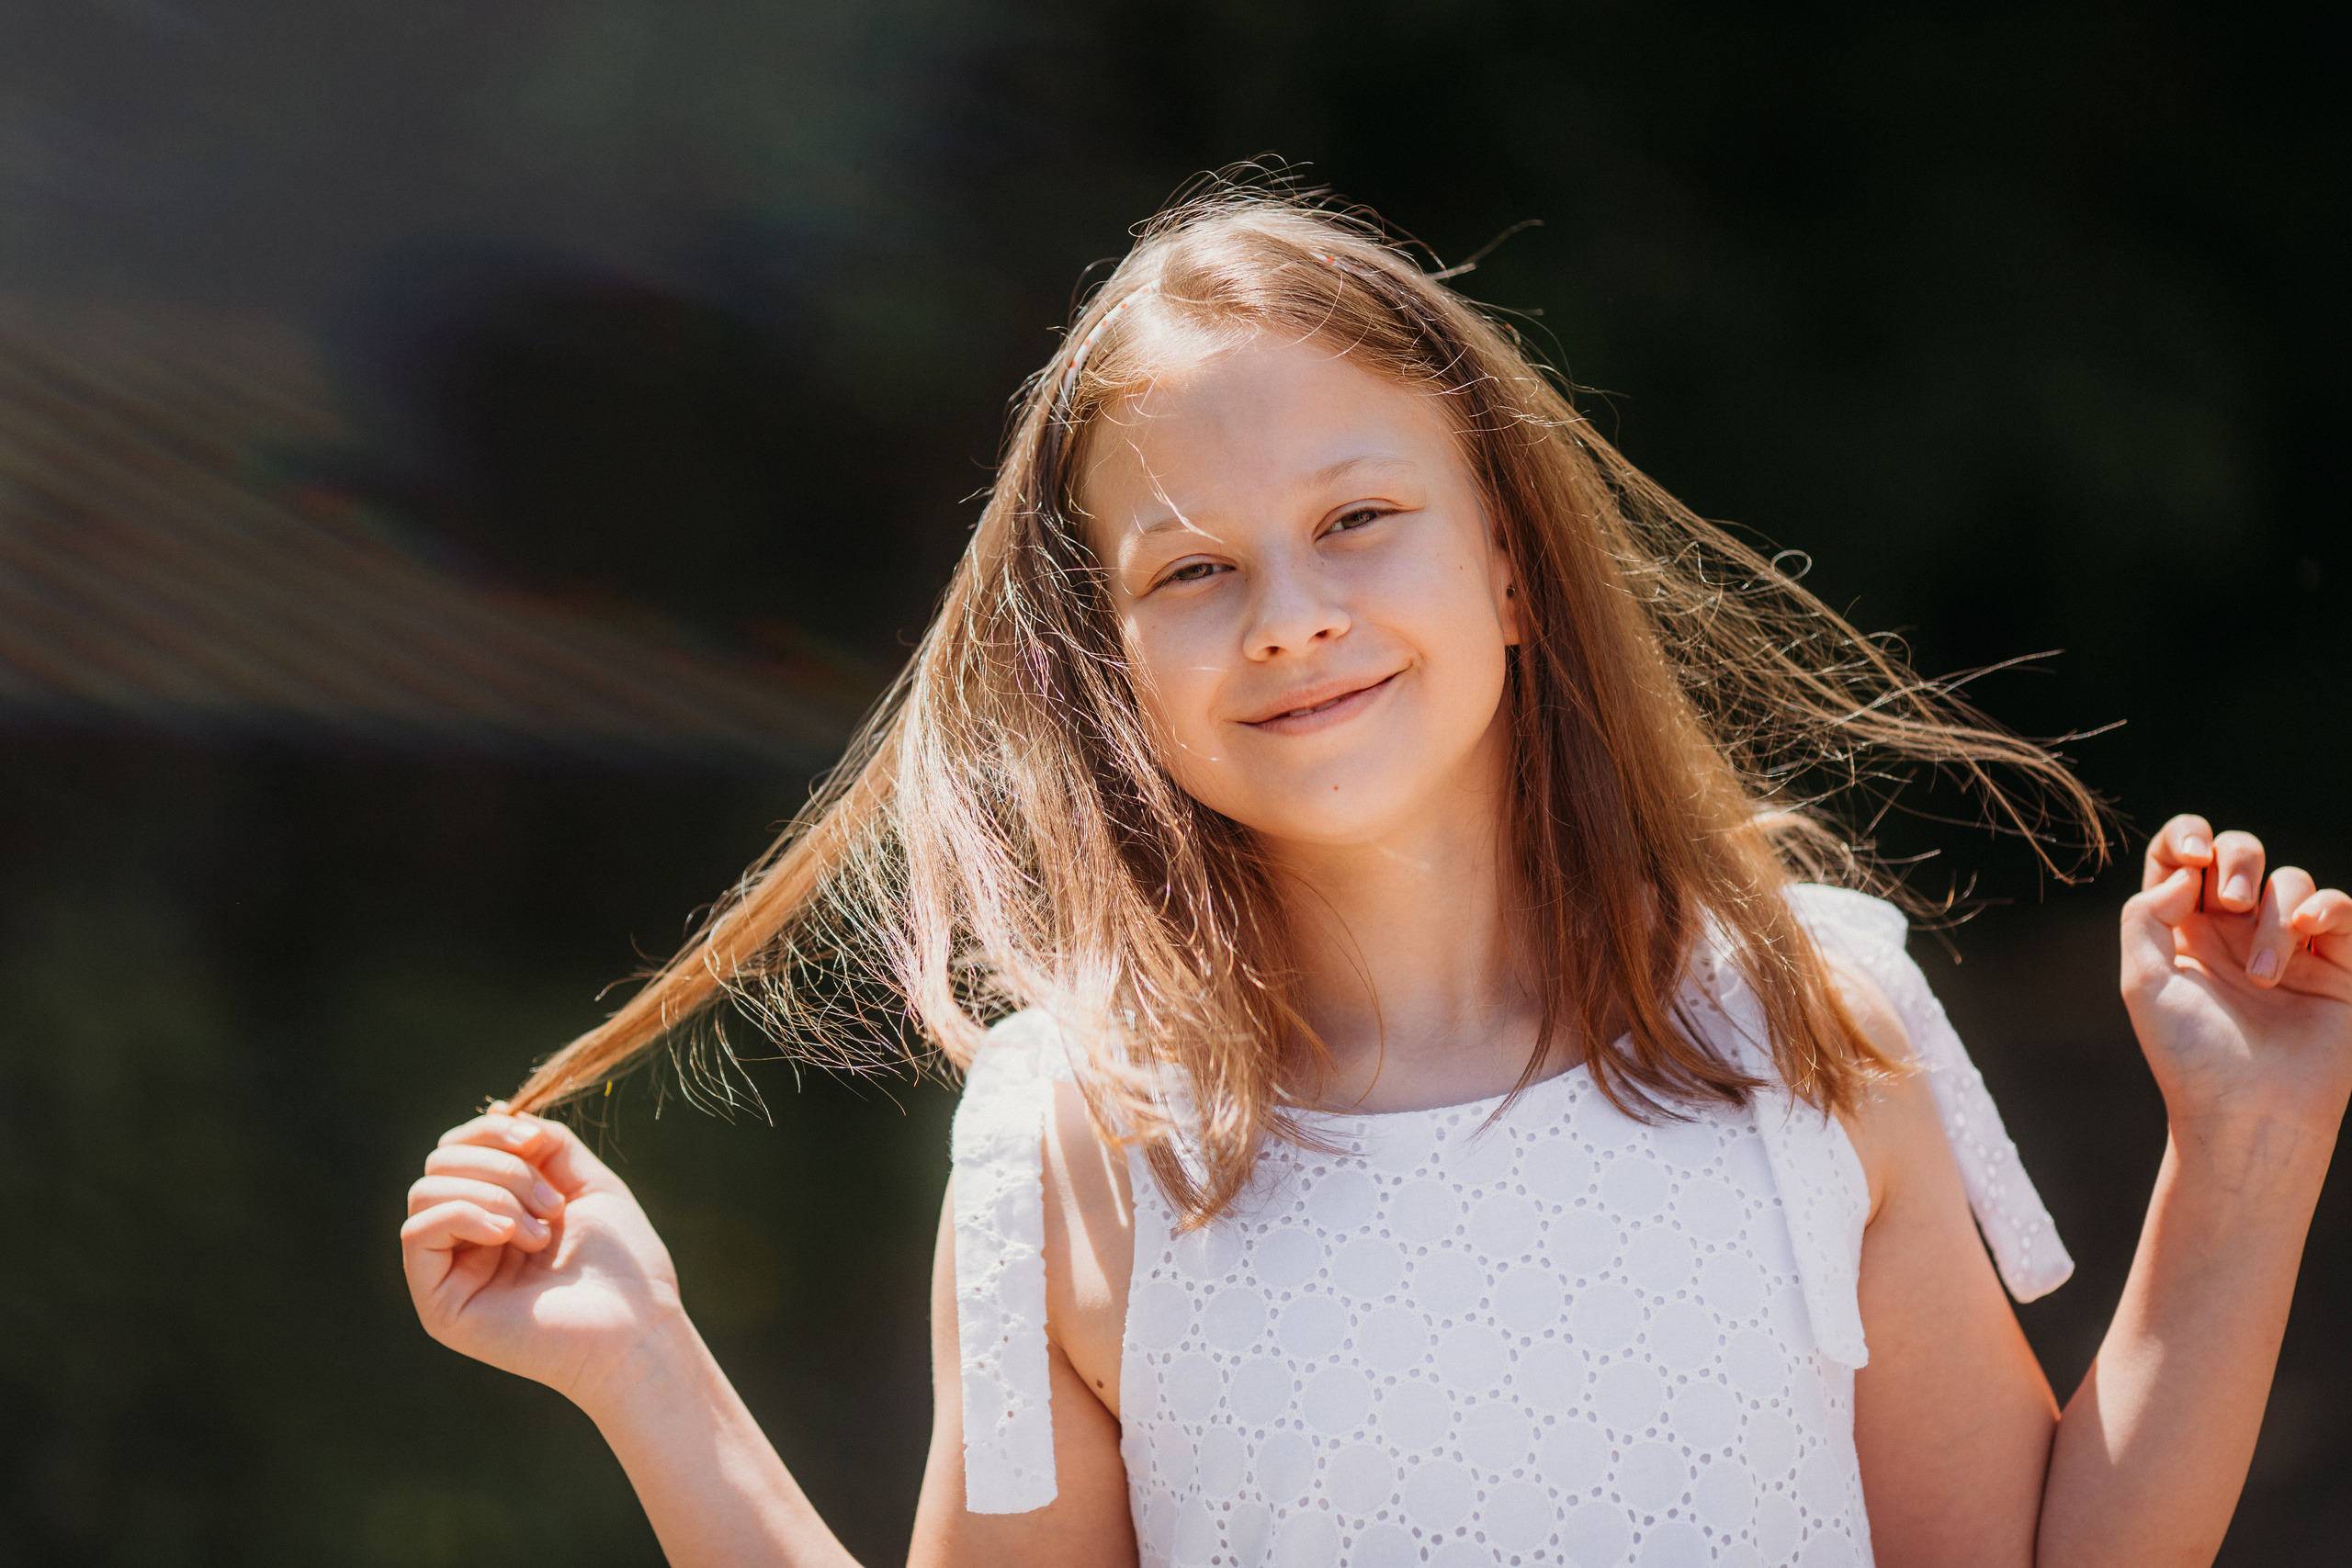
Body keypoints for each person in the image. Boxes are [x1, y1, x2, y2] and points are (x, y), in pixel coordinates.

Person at [399, 190, 2352, 1568]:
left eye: (1357, 518)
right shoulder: (1070, 1139)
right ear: (1108, 670)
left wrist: (2250, 1145)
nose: (1289, 616)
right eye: (1191, 569)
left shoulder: (1804, 1018)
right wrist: (643, 1368)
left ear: (1507, 559)